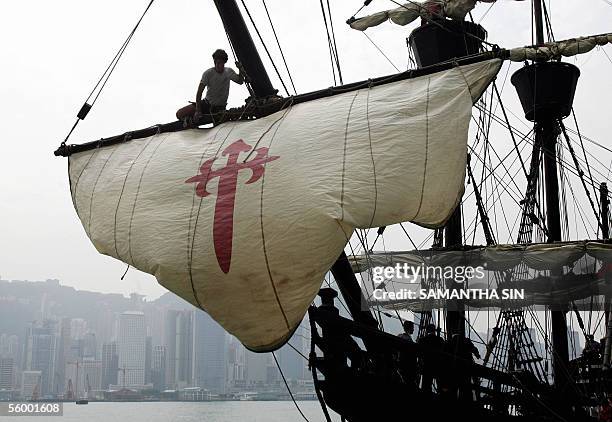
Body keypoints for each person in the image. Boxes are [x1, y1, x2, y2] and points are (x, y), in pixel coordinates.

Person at [176, 49, 245, 124]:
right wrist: (198, 110)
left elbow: (240, 81)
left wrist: (240, 70)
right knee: (179, 114)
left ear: (224, 63)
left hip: (220, 109)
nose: (217, 65)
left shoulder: (228, 72)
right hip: (206, 105)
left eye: (219, 63)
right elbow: (199, 93)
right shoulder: (208, 73)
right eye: (216, 62)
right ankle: (190, 120)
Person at [417, 323, 446, 393]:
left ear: (427, 331)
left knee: (426, 386)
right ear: (434, 331)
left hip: (426, 365)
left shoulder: (422, 340)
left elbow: (419, 353)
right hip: (437, 366)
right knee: (440, 386)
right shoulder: (440, 340)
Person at [397, 321, 417, 385]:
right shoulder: (407, 339)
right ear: (410, 328)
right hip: (408, 365)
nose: (413, 329)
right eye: (412, 328)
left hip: (401, 363)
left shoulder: (400, 336)